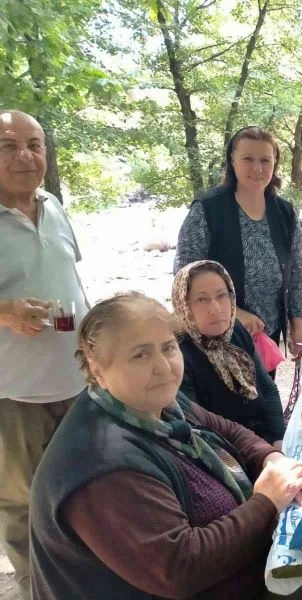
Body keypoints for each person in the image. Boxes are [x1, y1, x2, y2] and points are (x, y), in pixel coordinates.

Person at [29, 292, 302, 599]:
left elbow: (229, 431)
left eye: (168, 348)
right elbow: (180, 568)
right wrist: (265, 503)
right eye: (140, 354)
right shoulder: (103, 467)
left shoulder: (153, 402)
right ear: (97, 368)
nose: (163, 367)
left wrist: (273, 458)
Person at [0, 110, 90, 600]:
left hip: (74, 383)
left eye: (34, 144)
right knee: (20, 503)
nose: (24, 156)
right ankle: (38, 589)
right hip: (13, 393)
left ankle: (82, 576)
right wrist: (4, 310)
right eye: (8, 146)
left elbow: (71, 281)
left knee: (80, 487)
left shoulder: (53, 205)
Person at [174, 126, 302, 366]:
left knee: (263, 398)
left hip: (268, 333)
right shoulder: (207, 210)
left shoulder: (285, 213)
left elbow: (296, 273)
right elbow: (184, 276)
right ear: (232, 162)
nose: (257, 168)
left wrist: (297, 323)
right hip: (218, 334)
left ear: (274, 165)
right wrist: (235, 313)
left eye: (265, 160)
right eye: (248, 159)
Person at [173, 260, 286, 446]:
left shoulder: (235, 331)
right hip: (227, 455)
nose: (216, 309)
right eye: (202, 299)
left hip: (264, 442)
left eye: (222, 296)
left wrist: (278, 439)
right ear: (184, 306)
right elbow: (197, 430)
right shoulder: (179, 354)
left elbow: (267, 388)